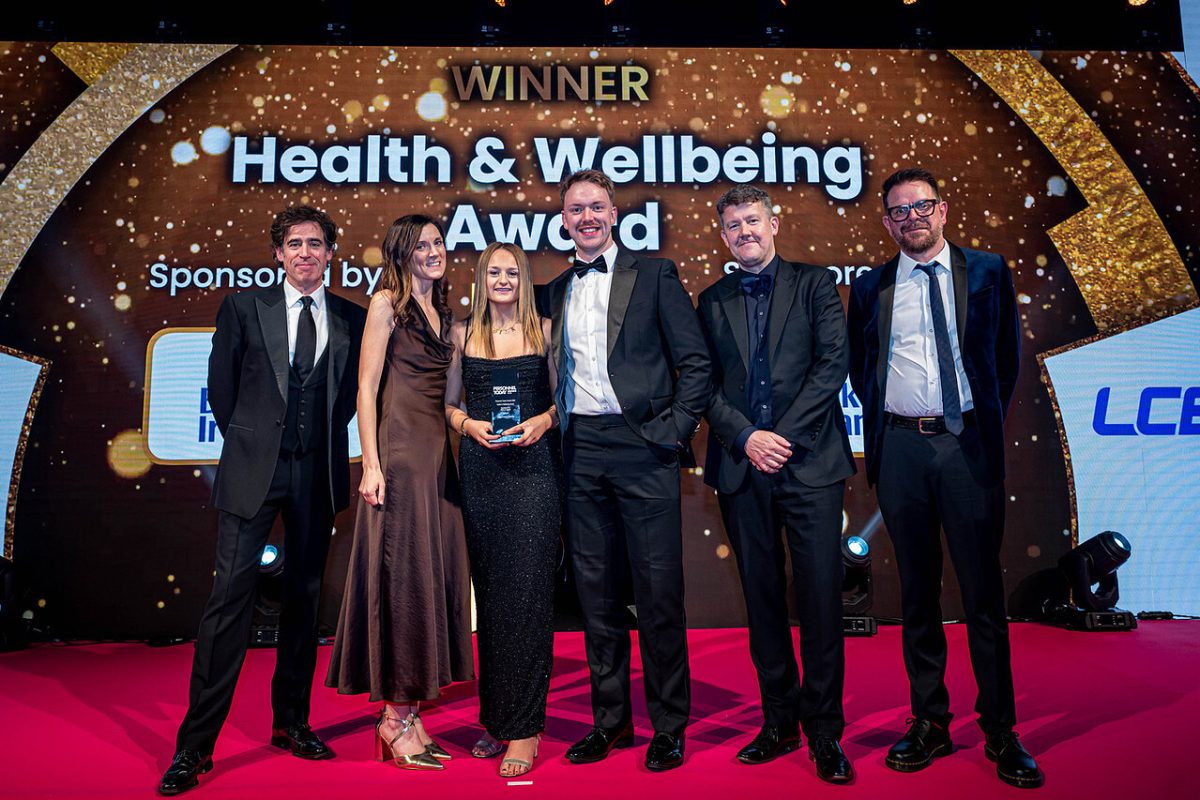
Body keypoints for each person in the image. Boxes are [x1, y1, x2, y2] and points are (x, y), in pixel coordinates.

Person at [159, 206, 367, 796]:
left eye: (316, 244)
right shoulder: (244, 307)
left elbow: (348, 401)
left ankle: (292, 724)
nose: (305, 253)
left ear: (331, 254)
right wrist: (256, 446)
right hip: (255, 473)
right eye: (295, 244)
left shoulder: (350, 318)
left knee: (304, 602)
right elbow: (222, 392)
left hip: (318, 475)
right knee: (228, 604)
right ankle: (194, 748)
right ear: (279, 253)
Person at [847, 168, 1042, 789]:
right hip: (901, 448)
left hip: (966, 450)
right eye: (899, 212)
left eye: (922, 207)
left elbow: (1005, 359)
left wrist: (973, 424)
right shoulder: (872, 284)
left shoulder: (987, 271)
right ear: (886, 222)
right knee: (917, 594)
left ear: (943, 210)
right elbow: (861, 367)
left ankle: (1000, 729)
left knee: (983, 595)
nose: (912, 219)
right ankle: (930, 721)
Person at [539, 169, 711, 772]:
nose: (586, 217)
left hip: (645, 450)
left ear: (614, 215)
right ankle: (609, 722)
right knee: (596, 598)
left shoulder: (656, 273)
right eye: (575, 209)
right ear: (563, 220)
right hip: (580, 452)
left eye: (596, 207)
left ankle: (669, 726)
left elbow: (696, 364)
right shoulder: (555, 289)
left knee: (660, 595)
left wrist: (670, 432)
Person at [696, 185, 856, 783]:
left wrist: (780, 437)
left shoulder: (815, 285)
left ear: (774, 223)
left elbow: (831, 365)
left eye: (753, 221)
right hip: (743, 467)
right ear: (724, 236)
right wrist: (746, 438)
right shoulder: (710, 301)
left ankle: (824, 732)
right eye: (733, 225)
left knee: (818, 600)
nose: (745, 232)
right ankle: (778, 723)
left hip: (810, 463)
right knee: (761, 602)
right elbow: (701, 381)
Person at [324, 214, 474, 771]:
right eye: (421, 246)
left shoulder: (450, 318)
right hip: (399, 455)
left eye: (438, 242)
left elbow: (452, 401)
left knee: (430, 577)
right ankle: (393, 717)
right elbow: (365, 386)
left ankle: (409, 713)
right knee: (403, 577)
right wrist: (371, 464)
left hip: (438, 462)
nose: (433, 252)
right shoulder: (387, 302)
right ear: (402, 254)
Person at [443, 242, 563, 778]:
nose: (502, 279)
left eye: (511, 271)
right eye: (493, 271)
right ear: (480, 278)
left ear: (525, 276)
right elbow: (448, 406)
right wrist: (469, 426)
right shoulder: (462, 334)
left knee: (528, 599)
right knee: (491, 599)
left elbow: (569, 401)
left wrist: (544, 421)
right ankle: (497, 719)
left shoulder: (546, 329)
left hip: (535, 476)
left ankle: (526, 730)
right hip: (483, 475)